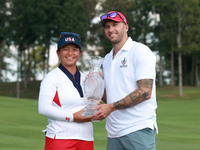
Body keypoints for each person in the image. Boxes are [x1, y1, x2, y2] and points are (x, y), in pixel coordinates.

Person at [91, 11, 158, 150]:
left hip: (138, 129)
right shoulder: (108, 59)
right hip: (114, 133)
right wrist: (95, 85)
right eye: (107, 27)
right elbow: (110, 97)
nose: (111, 29)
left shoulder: (139, 51)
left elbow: (145, 92)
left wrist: (111, 107)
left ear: (126, 27)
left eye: (115, 24)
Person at [38, 32, 94, 150]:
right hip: (60, 138)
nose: (70, 53)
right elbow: (43, 108)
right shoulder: (52, 77)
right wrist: (72, 117)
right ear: (58, 53)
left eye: (74, 49)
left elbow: (89, 107)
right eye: (65, 49)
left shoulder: (86, 79)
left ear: (80, 53)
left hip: (86, 138)